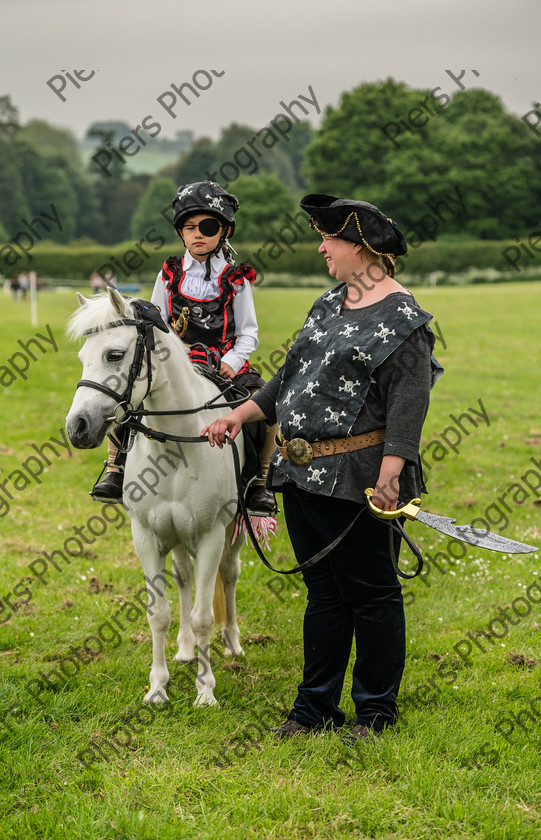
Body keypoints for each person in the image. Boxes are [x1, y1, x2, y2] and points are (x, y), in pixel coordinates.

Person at [202, 193, 443, 742]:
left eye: (330, 239)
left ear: (362, 247)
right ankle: (314, 710)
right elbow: (289, 377)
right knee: (325, 594)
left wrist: (392, 471)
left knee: (373, 594)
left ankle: (375, 713)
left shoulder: (405, 319)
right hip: (301, 474)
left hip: (359, 478)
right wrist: (240, 414)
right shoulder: (329, 302)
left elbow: (410, 401)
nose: (321, 247)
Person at [92, 180, 277, 514]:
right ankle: (115, 468)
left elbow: (249, 333)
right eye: (189, 228)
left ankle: (258, 482)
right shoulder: (169, 272)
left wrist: (233, 361)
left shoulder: (236, 278)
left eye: (207, 227)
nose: (198, 234)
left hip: (222, 362)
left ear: (224, 231)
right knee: (126, 392)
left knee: (264, 405)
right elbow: (158, 322)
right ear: (180, 232)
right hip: (176, 360)